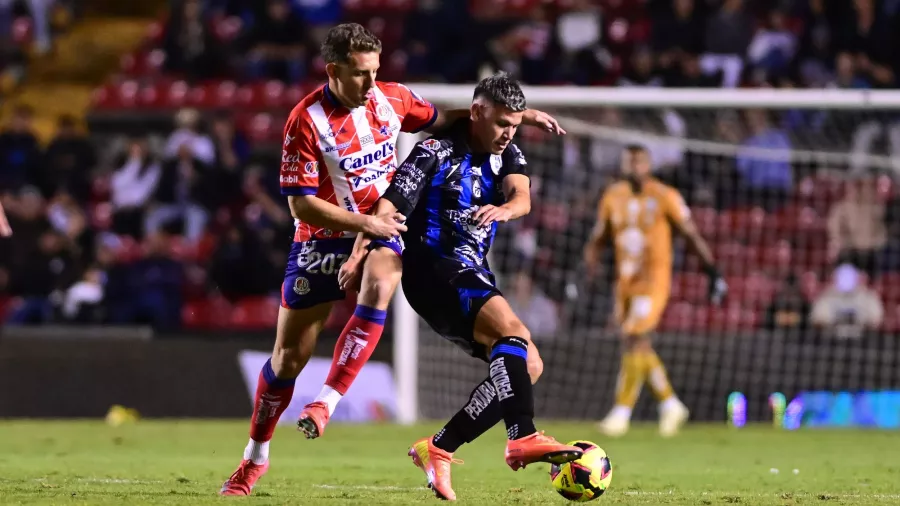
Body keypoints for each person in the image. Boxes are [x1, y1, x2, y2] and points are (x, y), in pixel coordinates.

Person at [219, 23, 565, 496]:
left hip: (389, 225)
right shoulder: (306, 121)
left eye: (376, 71)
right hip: (326, 234)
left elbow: (450, 119)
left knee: (383, 282)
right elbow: (300, 206)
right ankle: (254, 458)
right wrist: (362, 229)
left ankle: (328, 402)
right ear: (334, 69)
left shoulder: (392, 99)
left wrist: (517, 119)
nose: (370, 83)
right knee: (286, 361)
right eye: (361, 74)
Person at [329, 73, 583, 501]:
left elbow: (522, 197)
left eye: (516, 124)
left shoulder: (510, 152)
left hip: (472, 272)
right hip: (432, 268)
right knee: (514, 333)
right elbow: (387, 205)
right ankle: (522, 436)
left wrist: (505, 210)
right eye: (503, 123)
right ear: (478, 112)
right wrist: (357, 254)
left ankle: (440, 447)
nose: (509, 133)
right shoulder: (434, 150)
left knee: (527, 365)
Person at [582, 144, 727, 438]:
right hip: (624, 282)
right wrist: (584, 272)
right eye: (630, 161)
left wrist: (712, 272)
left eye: (640, 161)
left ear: (648, 165)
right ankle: (670, 403)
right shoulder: (613, 197)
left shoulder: (665, 195)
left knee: (636, 336)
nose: (635, 167)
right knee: (634, 344)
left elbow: (690, 234)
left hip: (654, 280)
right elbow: (598, 237)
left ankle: (621, 413)